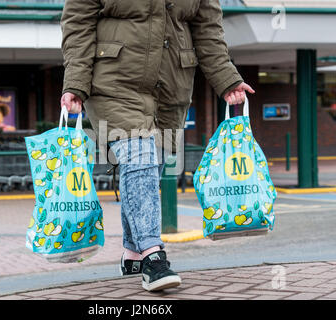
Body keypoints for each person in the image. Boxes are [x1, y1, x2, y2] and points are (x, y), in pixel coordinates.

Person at [60, 0, 254, 292]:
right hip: (113, 82)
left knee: (151, 166)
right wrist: (75, 81)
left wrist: (226, 79)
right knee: (139, 156)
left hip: (171, 85)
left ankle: (133, 252)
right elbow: (78, 23)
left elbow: (208, 30)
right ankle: (153, 256)